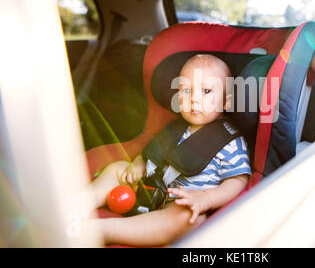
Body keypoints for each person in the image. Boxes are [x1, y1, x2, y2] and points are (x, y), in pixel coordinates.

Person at [86, 54, 251, 246]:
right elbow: (152, 152)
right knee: (118, 167)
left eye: (206, 91)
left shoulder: (230, 142)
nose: (194, 99)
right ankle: (78, 204)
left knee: (192, 218)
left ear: (225, 102)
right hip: (148, 189)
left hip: (180, 203)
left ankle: (107, 230)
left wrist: (206, 198)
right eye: (187, 90)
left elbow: (238, 180)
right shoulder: (175, 127)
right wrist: (138, 164)